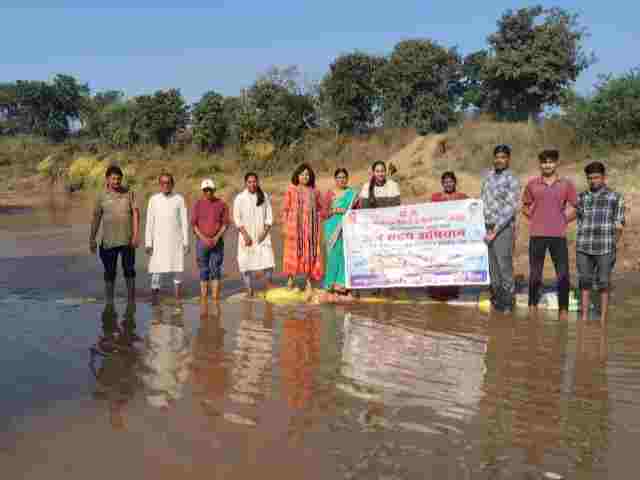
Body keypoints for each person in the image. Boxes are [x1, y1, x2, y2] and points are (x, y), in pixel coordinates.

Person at [522, 150, 577, 321]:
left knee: (563, 274)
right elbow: (525, 205)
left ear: (556, 163)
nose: (547, 165)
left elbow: (577, 206)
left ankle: (563, 311)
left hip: (558, 235)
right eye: (544, 162)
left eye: (551, 162)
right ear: (540, 164)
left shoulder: (566, 184)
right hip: (537, 234)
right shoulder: (532, 184)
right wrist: (533, 217)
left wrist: (564, 219)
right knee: (535, 273)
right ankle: (532, 307)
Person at [575, 161, 625, 325]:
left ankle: (603, 320)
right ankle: (584, 318)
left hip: (605, 247)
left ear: (603, 177)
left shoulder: (615, 197)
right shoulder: (582, 197)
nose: (593, 181)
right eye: (590, 178)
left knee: (604, 282)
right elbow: (578, 219)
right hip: (584, 246)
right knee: (584, 281)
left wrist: (613, 244)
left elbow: (619, 224)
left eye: (596, 177)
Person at [89, 165, 140, 304]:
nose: (116, 181)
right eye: (113, 179)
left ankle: (131, 300)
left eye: (118, 179)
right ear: (107, 179)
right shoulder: (101, 196)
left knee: (129, 271)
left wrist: (136, 235)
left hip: (127, 240)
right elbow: (96, 218)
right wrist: (92, 239)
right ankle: (109, 302)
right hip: (108, 242)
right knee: (109, 273)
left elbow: (136, 214)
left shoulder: (129, 193)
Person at [481, 145, 521, 313]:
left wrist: (495, 231)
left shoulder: (512, 179)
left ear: (508, 159)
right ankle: (497, 301)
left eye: (503, 157)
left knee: (504, 267)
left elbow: (509, 209)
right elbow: (482, 201)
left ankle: (508, 304)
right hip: (486, 228)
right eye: (497, 157)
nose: (499, 160)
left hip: (502, 229)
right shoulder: (487, 176)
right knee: (492, 269)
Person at [144, 172, 189, 304]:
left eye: (168, 182)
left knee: (177, 269)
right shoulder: (153, 199)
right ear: (160, 184)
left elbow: (184, 222)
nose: (166, 185)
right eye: (163, 183)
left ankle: (177, 298)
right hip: (158, 241)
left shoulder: (179, 199)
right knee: (156, 270)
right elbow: (149, 222)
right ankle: (155, 300)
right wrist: (148, 243)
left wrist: (186, 242)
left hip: (176, 241)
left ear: (172, 184)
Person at [282, 163, 324, 292]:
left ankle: (308, 282)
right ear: (297, 176)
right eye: (302, 174)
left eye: (307, 175)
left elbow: (320, 209)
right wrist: (284, 226)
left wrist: (318, 225)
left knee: (310, 254)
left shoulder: (315, 191)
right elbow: (285, 209)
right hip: (294, 228)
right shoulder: (291, 189)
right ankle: (290, 280)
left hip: (310, 230)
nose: (305, 177)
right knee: (292, 254)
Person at [233, 172, 276, 297]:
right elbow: (237, 218)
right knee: (245, 263)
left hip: (262, 235)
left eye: (254, 181)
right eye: (249, 182)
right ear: (245, 183)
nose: (252, 184)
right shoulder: (240, 198)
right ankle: (249, 289)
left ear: (258, 182)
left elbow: (269, 217)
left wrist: (264, 233)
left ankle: (268, 287)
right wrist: (245, 235)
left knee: (268, 261)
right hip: (246, 236)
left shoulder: (264, 196)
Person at [428, 171, 468, 300]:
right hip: (439, 239)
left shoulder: (463, 198)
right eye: (445, 182)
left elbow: (471, 213)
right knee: (439, 264)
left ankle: (452, 292)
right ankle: (436, 292)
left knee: (453, 264)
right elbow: (428, 215)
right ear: (442, 184)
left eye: (450, 181)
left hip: (455, 239)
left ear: (455, 182)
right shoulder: (435, 198)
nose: (448, 184)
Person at [192, 178, 230, 301]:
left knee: (215, 269)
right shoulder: (197, 204)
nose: (208, 192)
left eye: (210, 190)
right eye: (205, 190)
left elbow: (225, 224)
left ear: (214, 190)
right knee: (203, 269)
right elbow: (194, 225)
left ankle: (215, 298)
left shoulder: (222, 204)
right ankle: (204, 298)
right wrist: (203, 238)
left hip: (217, 242)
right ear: (203, 191)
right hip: (201, 242)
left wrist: (216, 237)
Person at [323, 168, 357, 295]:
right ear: (335, 179)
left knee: (344, 254)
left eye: (344, 177)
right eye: (339, 177)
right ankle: (330, 283)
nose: (341, 180)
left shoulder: (352, 194)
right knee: (332, 255)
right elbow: (323, 212)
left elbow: (357, 211)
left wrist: (347, 212)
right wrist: (335, 210)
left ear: (347, 179)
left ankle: (341, 284)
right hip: (331, 227)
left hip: (347, 227)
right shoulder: (329, 194)